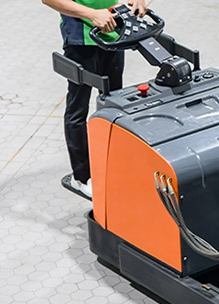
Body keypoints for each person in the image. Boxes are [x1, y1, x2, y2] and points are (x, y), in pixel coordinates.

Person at [42, 0, 147, 197]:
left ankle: (114, 167)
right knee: (78, 109)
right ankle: (81, 177)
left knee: (114, 105)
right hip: (81, 39)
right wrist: (92, 14)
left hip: (113, 32)